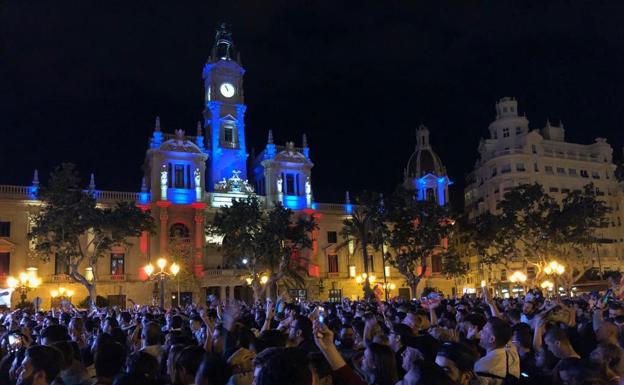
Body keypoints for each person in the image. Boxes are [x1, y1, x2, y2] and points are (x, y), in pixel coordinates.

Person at [474, 317, 520, 384]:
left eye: (483, 331)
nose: (479, 332)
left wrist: (468, 341)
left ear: (492, 339)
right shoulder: (512, 351)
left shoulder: (481, 366)